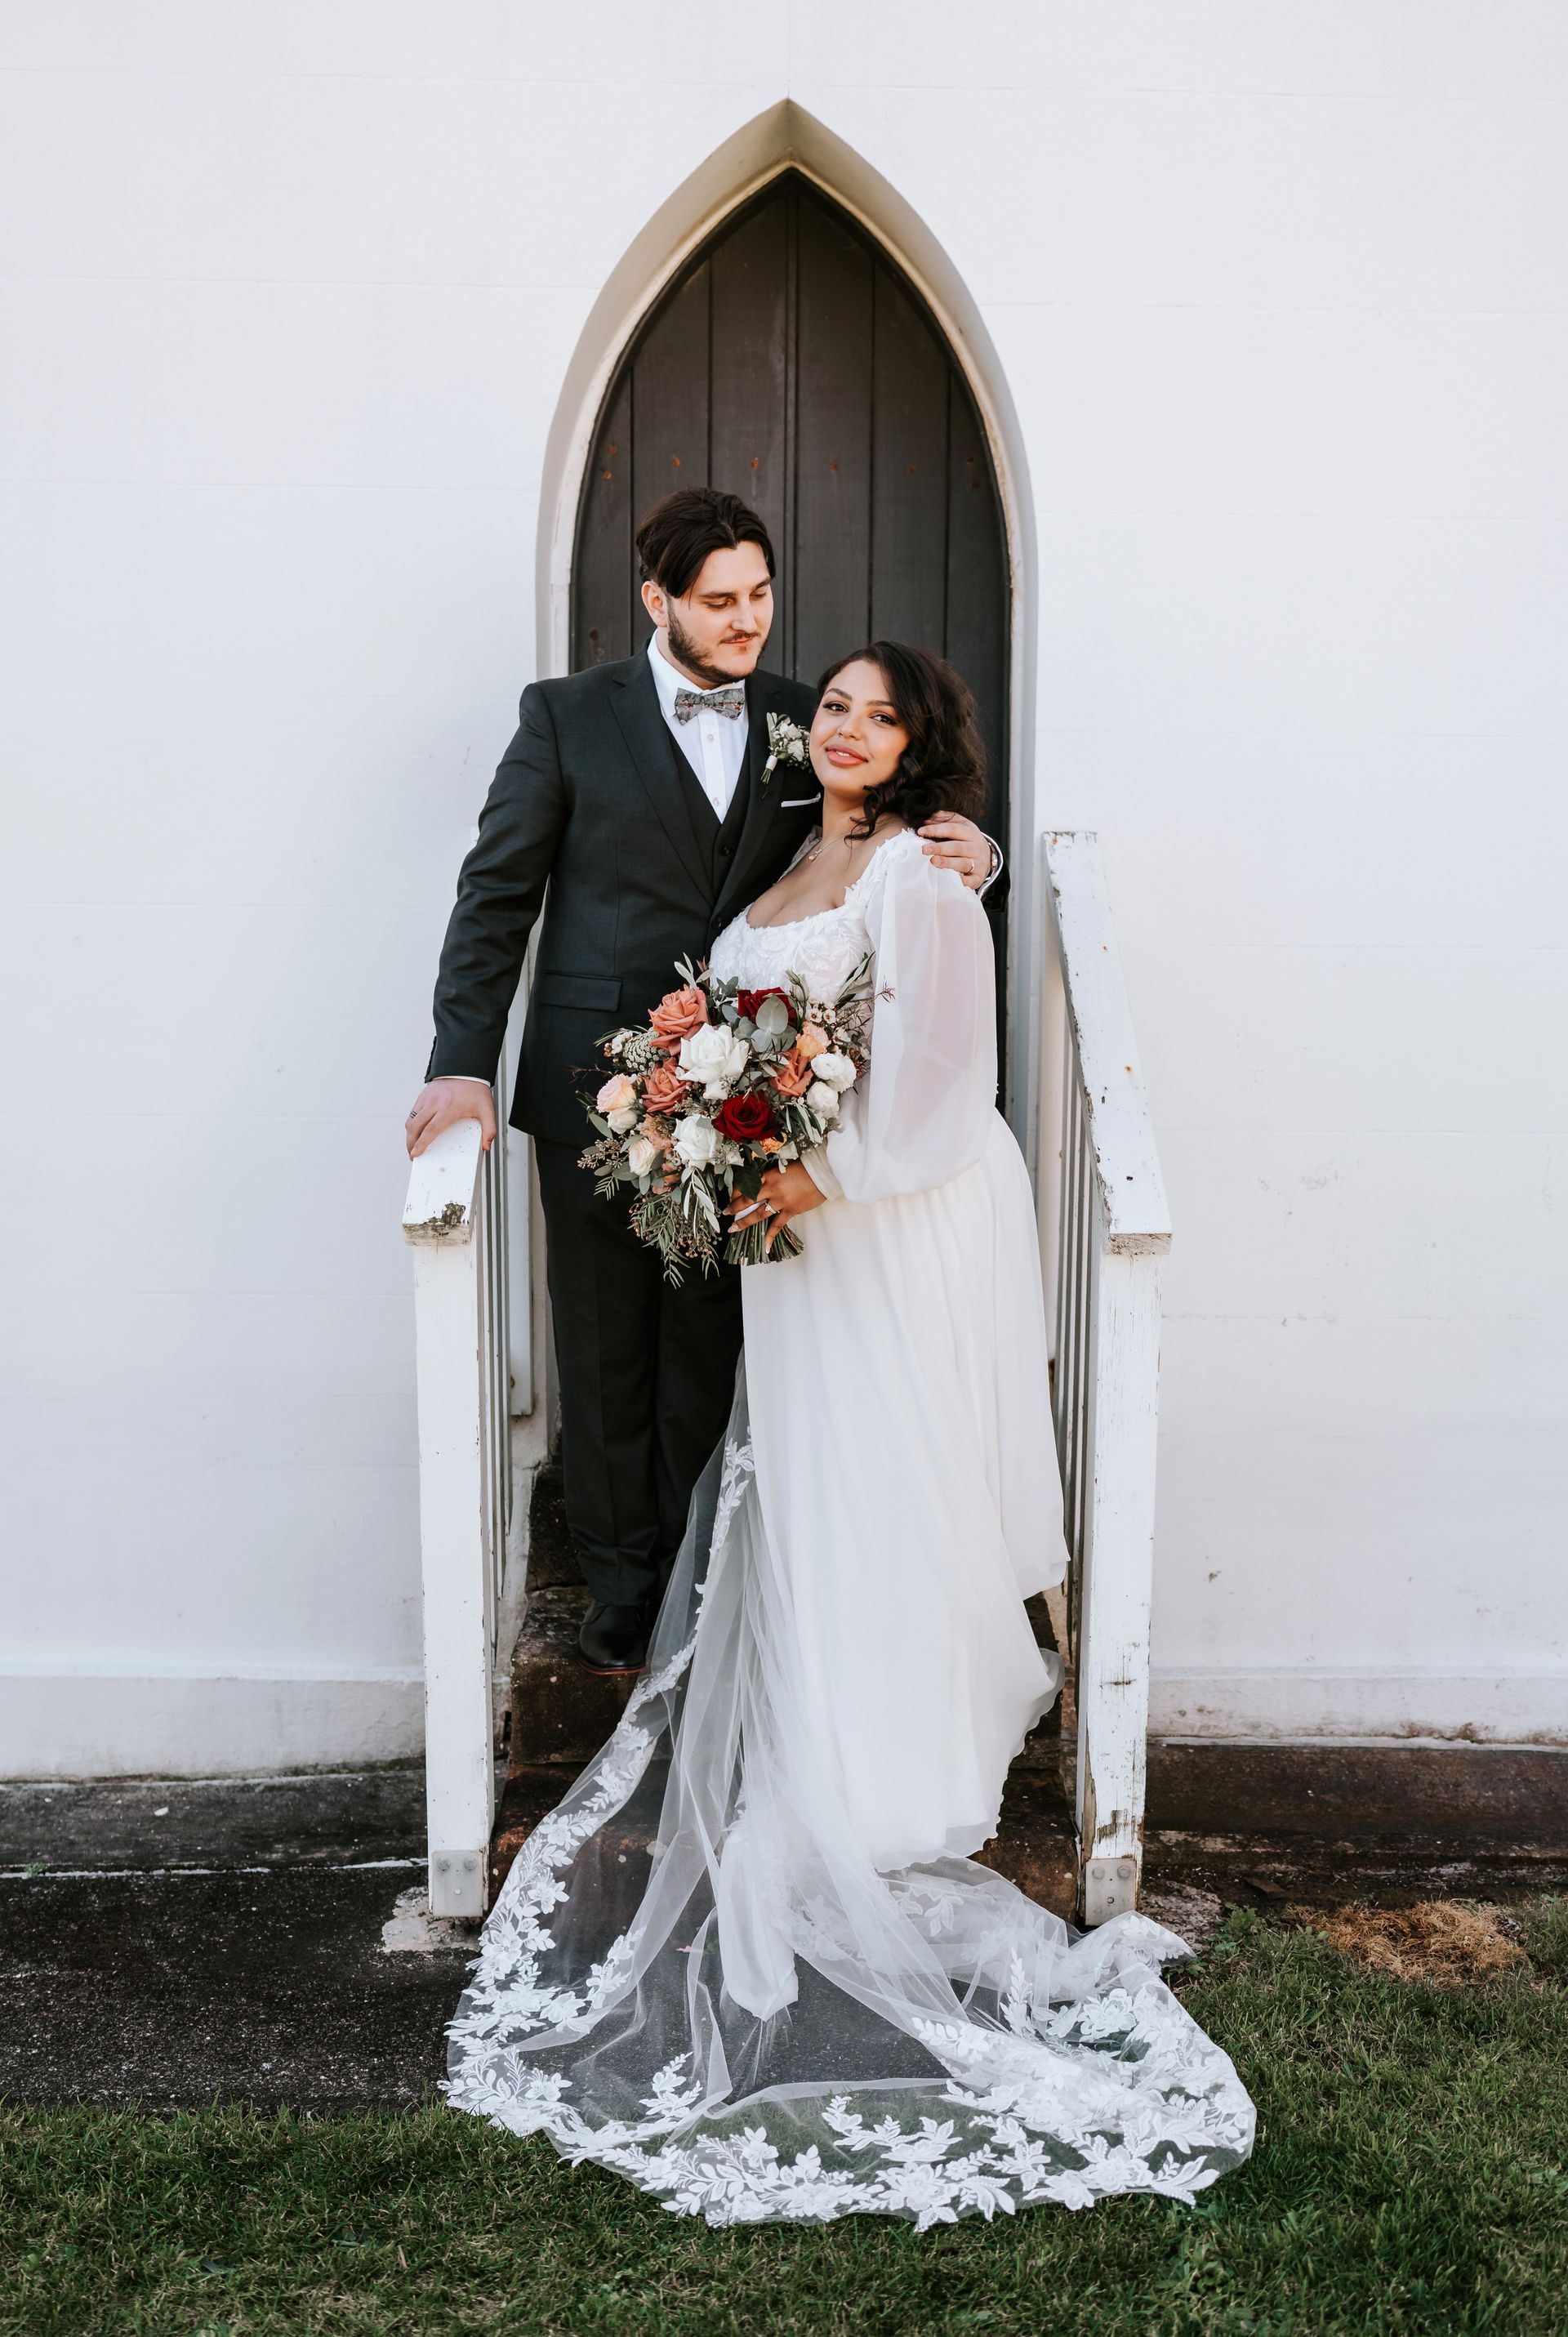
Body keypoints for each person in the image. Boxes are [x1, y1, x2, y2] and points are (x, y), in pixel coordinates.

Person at [443, 644, 1256, 2227]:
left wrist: (815, 1174)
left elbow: (948, 1084)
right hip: (802, 1249)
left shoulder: (921, 878)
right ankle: (827, 1750)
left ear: (921, 744)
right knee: (815, 1492)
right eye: (837, 703)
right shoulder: (783, 845)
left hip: (889, 1232)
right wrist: (701, 1125)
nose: (847, 725)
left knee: (891, 1491)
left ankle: (891, 1785)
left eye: (881, 712)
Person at [405, 489, 999, 1674]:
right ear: (656, 601)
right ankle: (623, 1600)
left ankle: (708, 1587)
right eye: (718, 601)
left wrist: (972, 851)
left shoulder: (806, 717)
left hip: (748, 1110)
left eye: (760, 595)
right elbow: (496, 896)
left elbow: (887, 829)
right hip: (593, 1096)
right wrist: (463, 1059)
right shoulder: (567, 718)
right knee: (607, 1347)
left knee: (715, 1353)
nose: (746, 622)